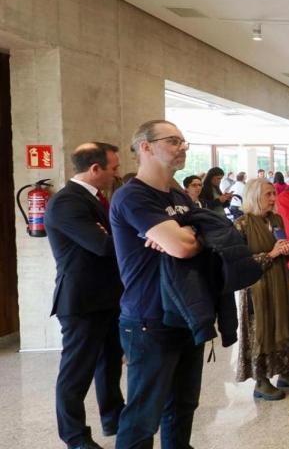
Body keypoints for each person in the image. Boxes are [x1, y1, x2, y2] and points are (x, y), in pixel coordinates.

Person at [109, 120, 204, 448]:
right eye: (173, 141)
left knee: (182, 407)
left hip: (185, 314)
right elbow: (183, 247)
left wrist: (188, 234)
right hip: (149, 319)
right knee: (142, 417)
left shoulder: (179, 193)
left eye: (183, 141)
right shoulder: (132, 197)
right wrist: (185, 235)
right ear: (145, 147)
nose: (182, 147)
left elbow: (211, 234)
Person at [46, 142, 125, 449]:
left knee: (109, 362)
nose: (116, 174)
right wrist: (113, 235)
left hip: (107, 297)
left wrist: (109, 233)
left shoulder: (96, 199)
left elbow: (107, 238)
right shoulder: (67, 202)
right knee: (76, 373)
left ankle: (114, 417)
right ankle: (75, 436)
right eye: (113, 168)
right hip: (81, 301)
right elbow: (102, 246)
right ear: (95, 169)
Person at [234, 178, 289, 401]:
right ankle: (261, 381)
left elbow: (282, 248)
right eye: (268, 195)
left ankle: (284, 371)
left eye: (274, 193)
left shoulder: (276, 220)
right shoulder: (241, 225)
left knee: (284, 324)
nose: (274, 199)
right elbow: (239, 264)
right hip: (257, 289)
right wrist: (272, 254)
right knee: (261, 332)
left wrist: (287, 250)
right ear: (254, 197)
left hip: (280, 282)